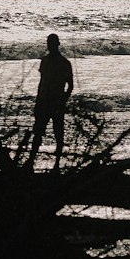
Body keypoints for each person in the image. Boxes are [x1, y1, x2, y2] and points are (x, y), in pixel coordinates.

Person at [29, 33, 74, 168]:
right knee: (38, 133)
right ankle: (31, 161)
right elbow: (41, 83)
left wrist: (62, 101)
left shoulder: (64, 63)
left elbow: (70, 85)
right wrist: (37, 101)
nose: (50, 46)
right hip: (44, 101)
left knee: (58, 134)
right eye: (49, 44)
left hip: (56, 102)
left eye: (52, 44)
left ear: (57, 45)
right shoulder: (45, 61)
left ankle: (57, 164)